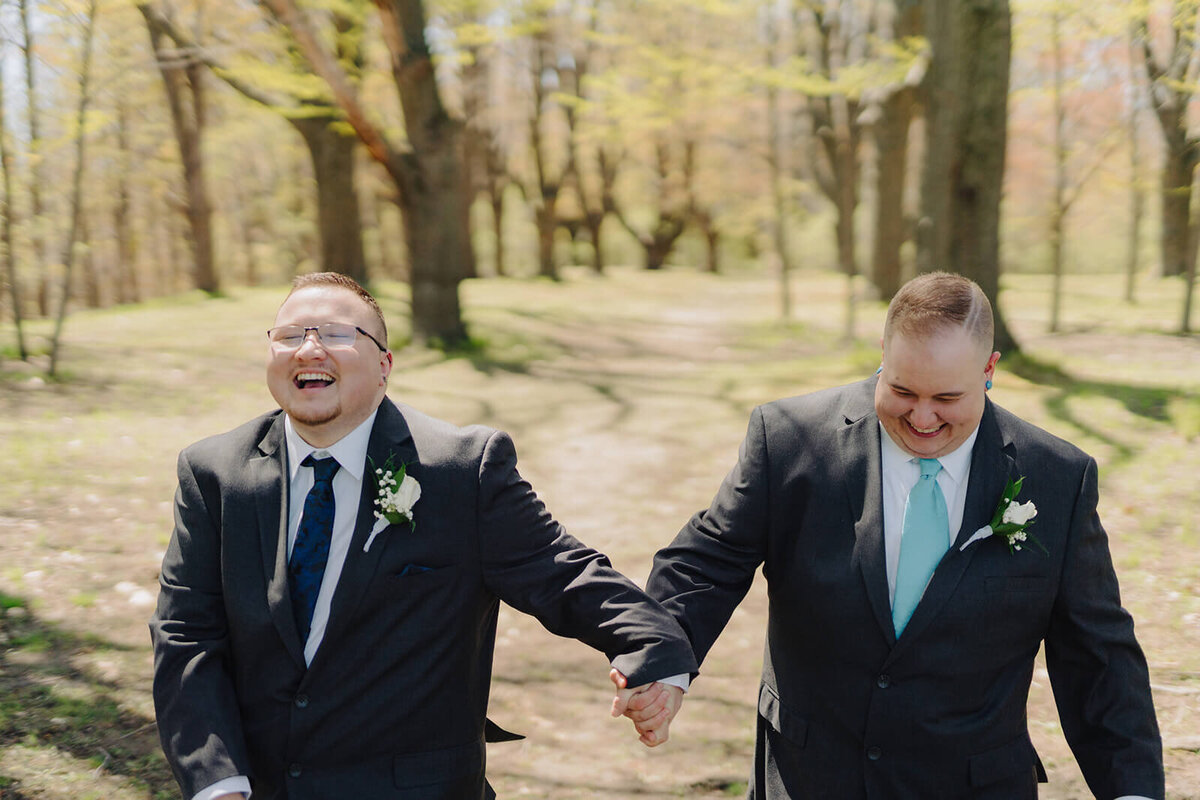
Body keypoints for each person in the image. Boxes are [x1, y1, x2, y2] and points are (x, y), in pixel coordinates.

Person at [150, 272, 697, 800]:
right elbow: (186, 632)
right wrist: (218, 783)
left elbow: (562, 572)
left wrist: (655, 648)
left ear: (385, 365)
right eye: (289, 336)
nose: (309, 349)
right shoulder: (215, 473)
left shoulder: (460, 469)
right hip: (260, 787)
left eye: (337, 334)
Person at [620, 272, 1163, 798]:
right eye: (902, 389)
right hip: (810, 776)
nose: (922, 418)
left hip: (972, 784)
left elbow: (1098, 656)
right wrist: (665, 661)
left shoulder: (1058, 478)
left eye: (947, 398)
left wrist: (1132, 791)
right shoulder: (790, 441)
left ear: (990, 368)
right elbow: (707, 561)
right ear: (883, 349)